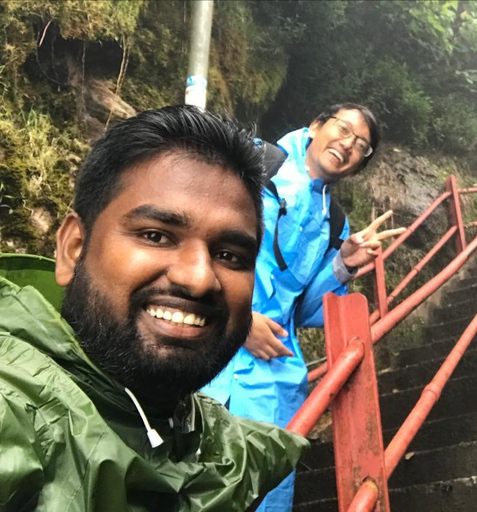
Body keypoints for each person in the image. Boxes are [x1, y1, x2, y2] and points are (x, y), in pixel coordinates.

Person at [0, 106, 308, 512]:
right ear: (73, 248)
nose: (199, 278)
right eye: (156, 235)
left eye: (230, 255)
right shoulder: (13, 417)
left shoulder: (226, 454)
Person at [202, 103, 403, 511]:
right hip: (208, 353)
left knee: (266, 494)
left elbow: (307, 311)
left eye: (361, 145)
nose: (348, 144)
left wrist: (344, 264)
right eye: (343, 129)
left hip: (275, 379)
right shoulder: (252, 162)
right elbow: (194, 240)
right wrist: (236, 321)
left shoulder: (334, 222)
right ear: (315, 127)